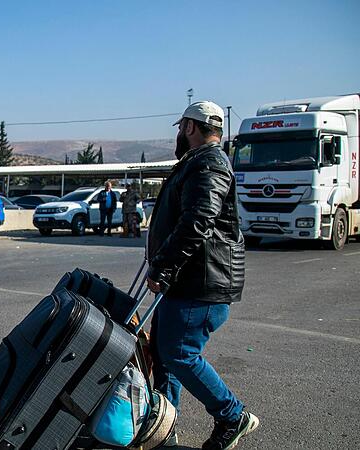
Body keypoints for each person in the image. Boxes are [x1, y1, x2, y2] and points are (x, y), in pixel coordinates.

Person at [146, 101, 258, 449]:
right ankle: (163, 423)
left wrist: (164, 266)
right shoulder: (198, 162)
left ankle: (232, 415)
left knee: (179, 353)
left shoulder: (209, 164)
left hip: (199, 283)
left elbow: (198, 221)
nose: (179, 134)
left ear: (191, 127)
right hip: (185, 280)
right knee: (164, 354)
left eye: (181, 128)